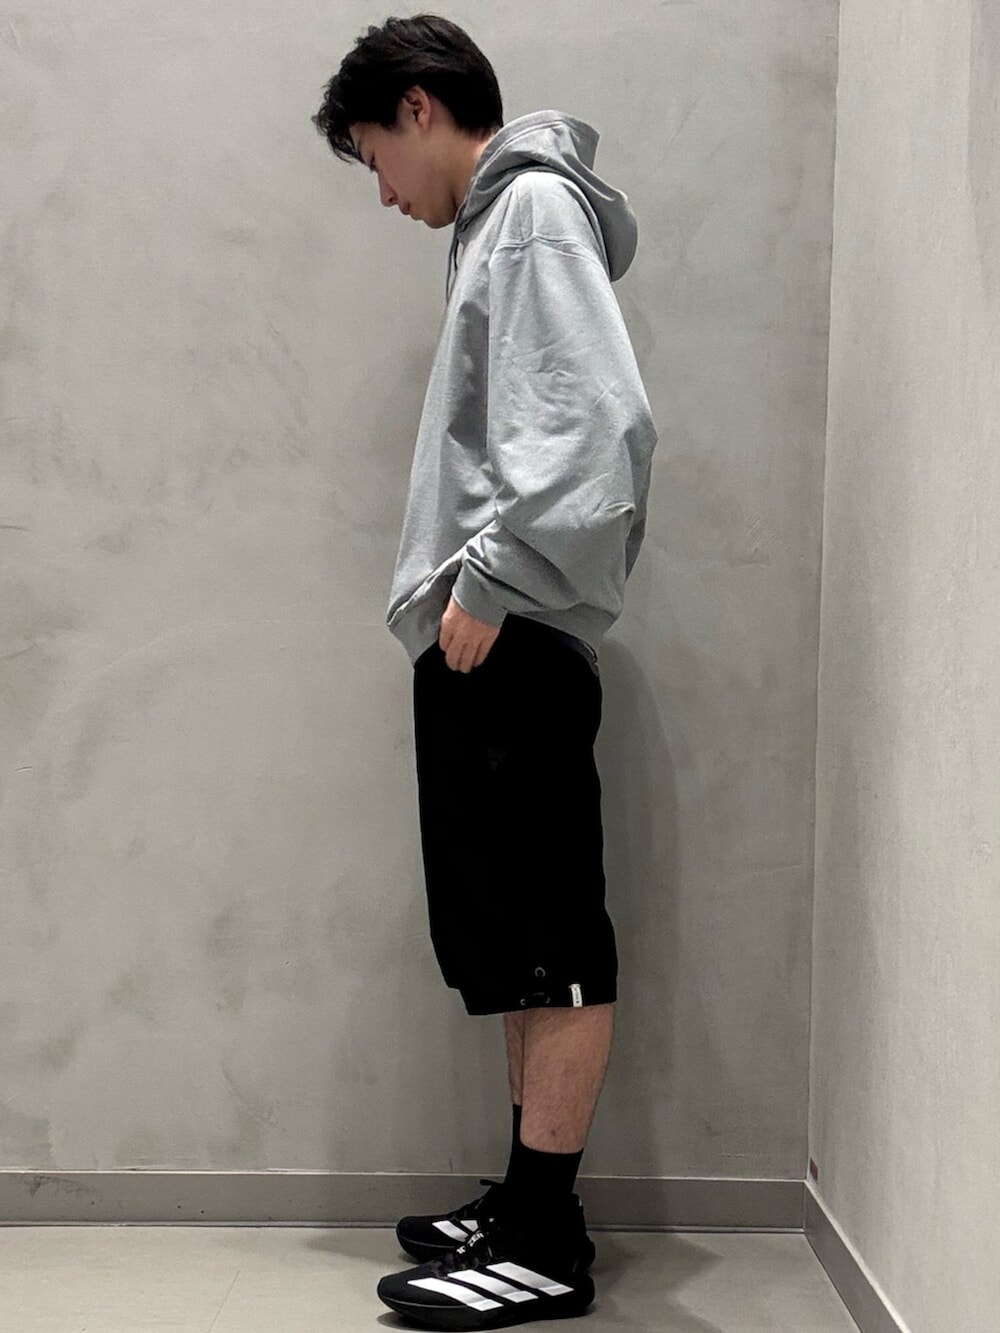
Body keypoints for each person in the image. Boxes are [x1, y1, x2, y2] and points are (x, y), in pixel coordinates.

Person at [312, 13, 658, 1329]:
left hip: (509, 635)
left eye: (373, 160)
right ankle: (522, 1203)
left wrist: (490, 579)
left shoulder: (528, 215)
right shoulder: (503, 225)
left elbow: (599, 426)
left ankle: (548, 1240)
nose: (384, 196)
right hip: (494, 635)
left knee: (551, 942)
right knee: (516, 945)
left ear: (418, 107)